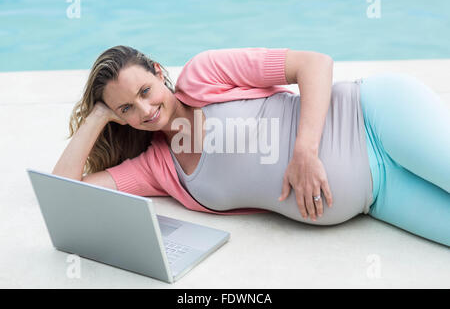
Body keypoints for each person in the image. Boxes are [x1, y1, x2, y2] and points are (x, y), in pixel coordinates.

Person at [52, 46, 450, 247]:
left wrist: (305, 152)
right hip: (376, 196)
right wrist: (97, 116)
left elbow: (314, 63)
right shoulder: (159, 168)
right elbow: (64, 192)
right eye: (127, 108)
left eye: (145, 90)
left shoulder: (203, 74)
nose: (145, 109)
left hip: (376, 117)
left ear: (159, 72)